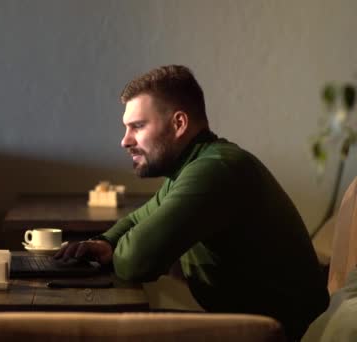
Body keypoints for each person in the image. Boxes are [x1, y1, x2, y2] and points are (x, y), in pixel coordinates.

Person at [54, 65, 329, 340]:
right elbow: (138, 219)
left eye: (137, 126)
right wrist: (106, 241)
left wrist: (117, 250)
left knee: (100, 334)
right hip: (247, 326)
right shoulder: (191, 168)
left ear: (179, 124)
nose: (125, 140)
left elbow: (137, 261)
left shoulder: (216, 170)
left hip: (277, 335)